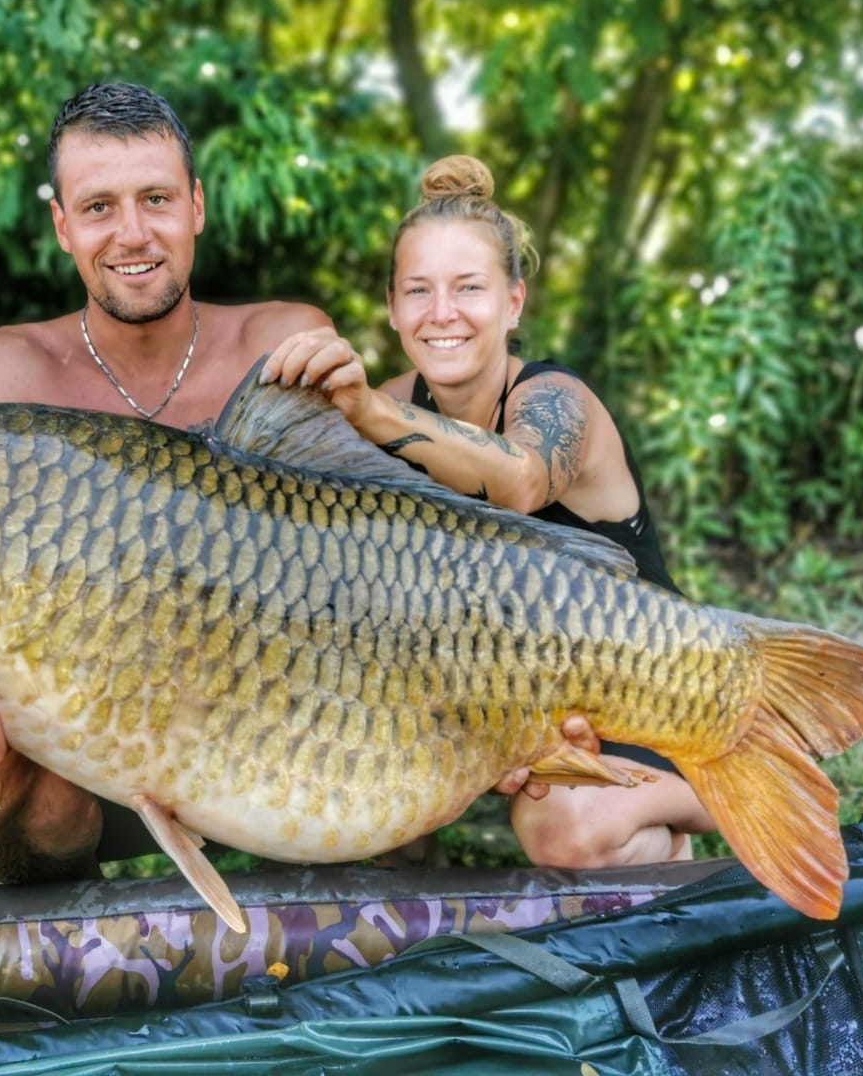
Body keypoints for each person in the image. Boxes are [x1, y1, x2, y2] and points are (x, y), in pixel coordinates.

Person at [0, 82, 331, 883]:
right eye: (99, 207)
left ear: (196, 206)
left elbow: (351, 562)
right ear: (63, 225)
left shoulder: (282, 342)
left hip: (289, 740)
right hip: (92, 757)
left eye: (157, 198)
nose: (133, 233)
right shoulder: (3, 374)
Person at [262, 154, 717, 869]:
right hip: (498, 687)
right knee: (350, 782)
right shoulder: (386, 401)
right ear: (392, 308)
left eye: (468, 288)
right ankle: (409, 908)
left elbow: (522, 481)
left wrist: (373, 414)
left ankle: (684, 819)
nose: (441, 314)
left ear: (513, 303)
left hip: (644, 694)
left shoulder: (558, 403)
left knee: (565, 831)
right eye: (418, 291)